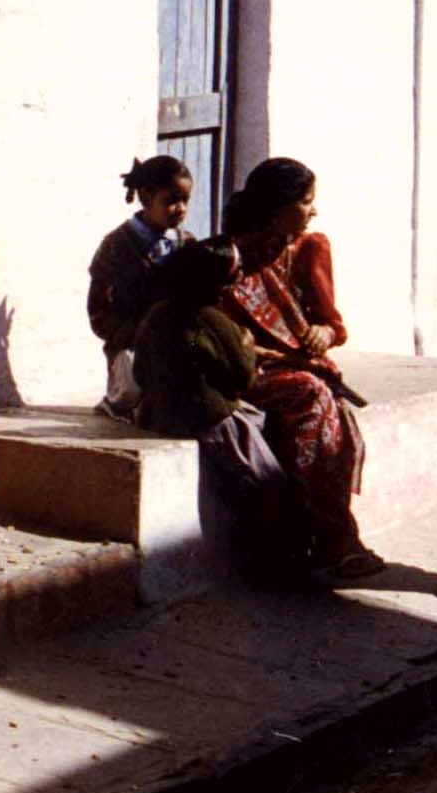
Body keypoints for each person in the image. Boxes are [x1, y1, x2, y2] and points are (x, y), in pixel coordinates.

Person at [220, 160, 384, 580]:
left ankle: (323, 536)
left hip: (303, 364)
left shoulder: (310, 249)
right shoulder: (234, 257)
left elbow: (335, 325)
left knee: (324, 400)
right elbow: (224, 335)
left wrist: (321, 335)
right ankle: (335, 539)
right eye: (307, 202)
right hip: (251, 369)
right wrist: (280, 357)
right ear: (278, 209)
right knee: (311, 395)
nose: (314, 212)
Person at [133, 240, 310, 576]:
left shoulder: (156, 314)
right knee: (270, 484)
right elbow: (243, 378)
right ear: (216, 281)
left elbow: (140, 372)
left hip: (160, 417)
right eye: (234, 272)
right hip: (211, 419)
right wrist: (245, 343)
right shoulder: (212, 320)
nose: (240, 277)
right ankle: (276, 565)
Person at [87, 155, 194, 419]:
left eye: (185, 201)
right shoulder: (116, 247)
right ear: (146, 198)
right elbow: (98, 312)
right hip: (132, 345)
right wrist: (133, 334)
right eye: (171, 201)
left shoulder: (188, 245)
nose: (180, 208)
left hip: (177, 341)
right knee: (134, 388)